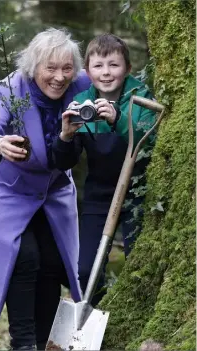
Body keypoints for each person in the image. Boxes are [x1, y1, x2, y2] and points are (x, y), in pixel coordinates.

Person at [0, 28, 91, 351]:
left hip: (51, 191)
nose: (59, 76)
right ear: (33, 67)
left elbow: (113, 83)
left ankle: (44, 340)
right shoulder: (12, 91)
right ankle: (23, 343)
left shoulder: (80, 86)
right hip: (9, 189)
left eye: (66, 68)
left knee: (53, 259)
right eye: (50, 68)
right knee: (25, 257)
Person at [52, 33, 156, 305]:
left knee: (139, 263)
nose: (106, 73)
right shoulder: (82, 101)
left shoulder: (140, 95)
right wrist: (65, 137)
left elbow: (149, 142)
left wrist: (118, 119)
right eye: (98, 66)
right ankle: (94, 318)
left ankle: (137, 316)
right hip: (99, 193)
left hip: (138, 191)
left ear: (127, 69)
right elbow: (65, 162)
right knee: (85, 269)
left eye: (114, 65)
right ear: (87, 71)